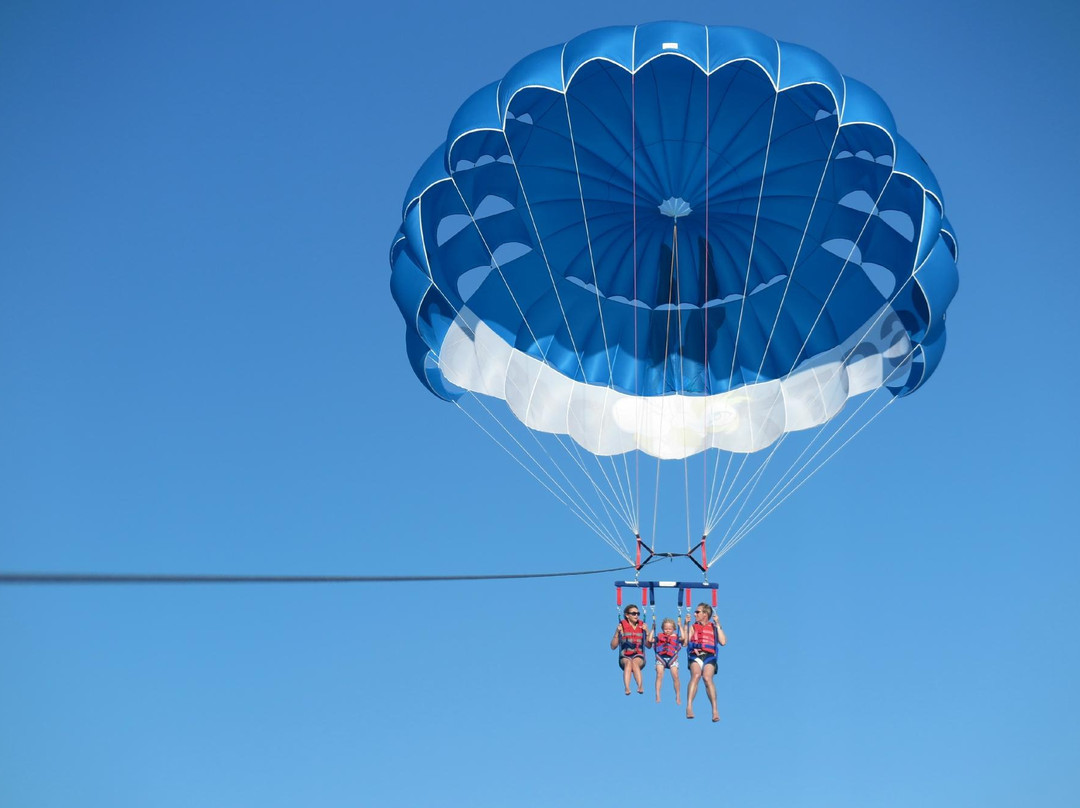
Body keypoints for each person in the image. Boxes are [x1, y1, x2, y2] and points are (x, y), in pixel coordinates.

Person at [685, 603, 726, 722]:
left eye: (697, 612)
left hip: (709, 656)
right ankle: (689, 706)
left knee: (707, 678)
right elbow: (685, 642)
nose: (695, 614)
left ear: (705, 614)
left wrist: (718, 625)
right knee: (696, 675)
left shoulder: (713, 627)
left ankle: (715, 710)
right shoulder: (693, 627)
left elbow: (723, 642)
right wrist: (686, 625)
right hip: (695, 655)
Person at [610, 604, 648, 695]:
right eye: (634, 613)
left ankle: (640, 686)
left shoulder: (642, 626)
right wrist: (617, 632)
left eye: (638, 613)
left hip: (639, 655)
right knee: (628, 663)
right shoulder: (622, 626)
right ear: (627, 615)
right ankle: (627, 687)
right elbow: (613, 646)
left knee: (634, 662)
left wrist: (647, 631)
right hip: (625, 655)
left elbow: (649, 645)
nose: (636, 616)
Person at [648, 617, 685, 704]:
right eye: (665, 629)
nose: (667, 630)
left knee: (675, 676)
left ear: (673, 629)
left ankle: (678, 695)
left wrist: (680, 626)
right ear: (662, 629)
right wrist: (652, 629)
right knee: (659, 674)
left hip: (672, 658)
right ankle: (657, 694)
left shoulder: (676, 637)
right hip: (661, 657)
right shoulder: (659, 637)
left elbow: (683, 638)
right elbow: (650, 640)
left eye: (669, 629)